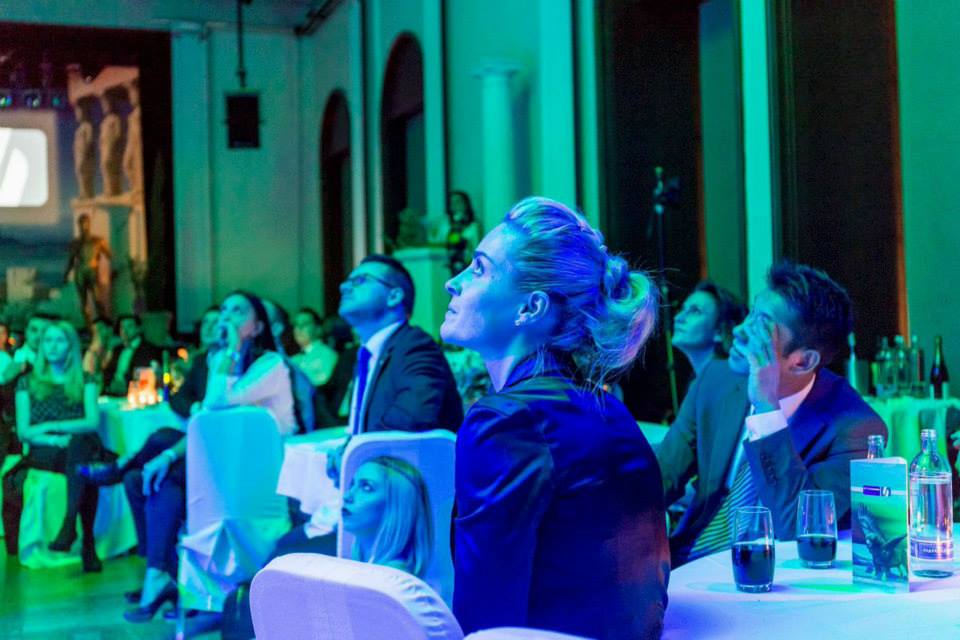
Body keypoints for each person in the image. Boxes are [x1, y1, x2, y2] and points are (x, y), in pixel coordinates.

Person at [443, 197, 669, 639]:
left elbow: (485, 619)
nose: (454, 283)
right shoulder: (608, 408)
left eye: (479, 269)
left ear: (530, 308)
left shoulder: (504, 423)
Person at [657, 262, 888, 567]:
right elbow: (661, 477)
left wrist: (767, 409)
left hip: (771, 575)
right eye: (750, 315)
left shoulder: (857, 429)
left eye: (761, 327)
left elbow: (797, 528)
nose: (739, 331)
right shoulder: (715, 380)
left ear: (803, 361)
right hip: (686, 560)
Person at [120, 291, 295, 623]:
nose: (227, 317)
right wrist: (167, 457)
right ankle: (161, 574)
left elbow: (215, 404)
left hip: (264, 471)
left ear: (258, 327)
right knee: (151, 479)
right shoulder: (219, 361)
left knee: (155, 473)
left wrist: (230, 350)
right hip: (225, 469)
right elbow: (207, 425)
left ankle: (165, 578)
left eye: (237, 311)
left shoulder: (271, 364)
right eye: (224, 310)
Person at [1, 321, 105, 572]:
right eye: (48, 341)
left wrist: (51, 426)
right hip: (46, 450)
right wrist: (53, 437)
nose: (53, 346)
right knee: (83, 465)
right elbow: (24, 431)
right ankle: (87, 543)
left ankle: (70, 527)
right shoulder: (27, 382)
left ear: (70, 346)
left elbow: (92, 422)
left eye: (60, 340)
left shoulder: (86, 379)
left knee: (80, 451)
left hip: (78, 445)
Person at [672, 280, 747, 377]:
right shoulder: (701, 380)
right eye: (683, 309)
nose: (678, 318)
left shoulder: (727, 379)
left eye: (695, 311)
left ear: (719, 331)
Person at [64, 214, 112, 326]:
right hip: (80, 273)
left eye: (85, 223)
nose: (83, 226)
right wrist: (66, 274)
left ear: (89, 224)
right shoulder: (75, 243)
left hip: (92, 272)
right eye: (81, 223)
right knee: (83, 301)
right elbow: (71, 261)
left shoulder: (98, 241)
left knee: (97, 298)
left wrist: (112, 271)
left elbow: (110, 255)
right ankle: (88, 326)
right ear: (79, 225)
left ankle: (103, 323)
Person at [103, 314, 164, 396]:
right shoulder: (117, 349)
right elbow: (108, 371)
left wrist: (126, 386)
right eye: (122, 327)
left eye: (129, 326)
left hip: (135, 394)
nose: (124, 331)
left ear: (138, 328)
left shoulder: (148, 349)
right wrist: (110, 384)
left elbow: (144, 375)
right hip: (111, 393)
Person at [434, 190, 482, 277]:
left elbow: (478, 246)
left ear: (466, 204)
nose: (455, 205)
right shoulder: (445, 224)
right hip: (447, 264)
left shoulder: (474, 225)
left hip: (467, 264)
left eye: (458, 201)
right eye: (452, 202)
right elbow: (439, 243)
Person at [290, 307, 338, 388]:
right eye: (296, 324)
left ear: (318, 329)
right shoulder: (293, 359)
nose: (299, 328)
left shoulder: (328, 355)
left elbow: (322, 385)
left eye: (305, 324)